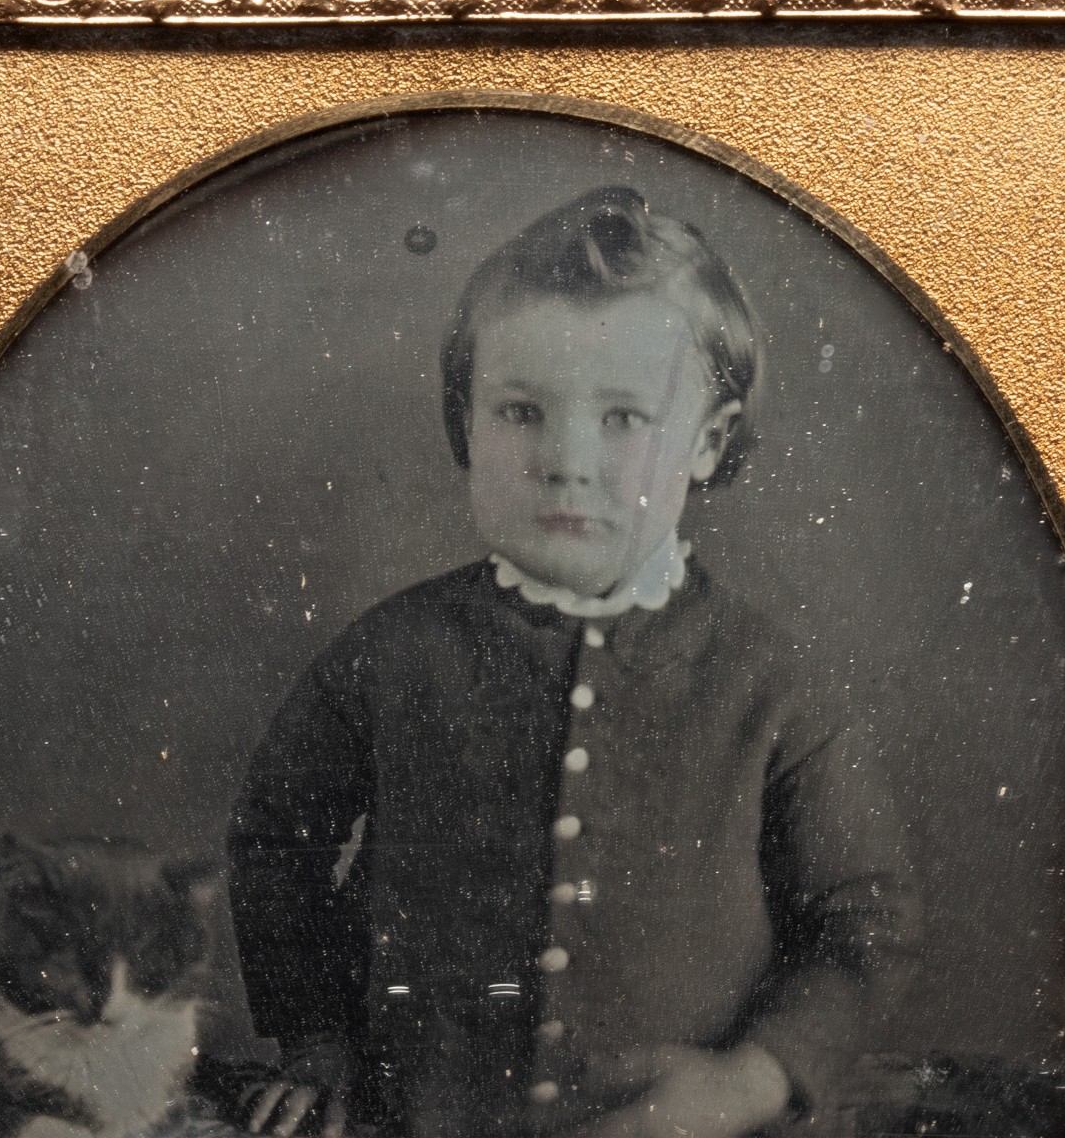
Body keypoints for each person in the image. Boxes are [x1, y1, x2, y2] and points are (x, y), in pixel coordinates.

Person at [226, 185, 921, 1138]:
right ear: (463, 424)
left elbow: (863, 922)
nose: (565, 460)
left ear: (706, 443)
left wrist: (749, 1083)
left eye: (624, 419)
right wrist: (317, 1040)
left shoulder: (765, 679)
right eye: (520, 411)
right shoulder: (394, 653)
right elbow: (278, 839)